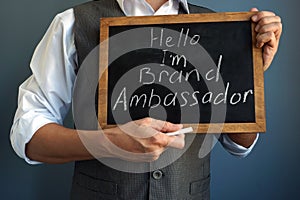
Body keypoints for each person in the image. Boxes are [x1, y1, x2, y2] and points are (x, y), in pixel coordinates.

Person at [10, 0, 282, 199]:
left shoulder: (221, 27)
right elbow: (29, 136)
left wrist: (251, 72)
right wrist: (109, 143)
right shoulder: (72, 23)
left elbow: (239, 145)